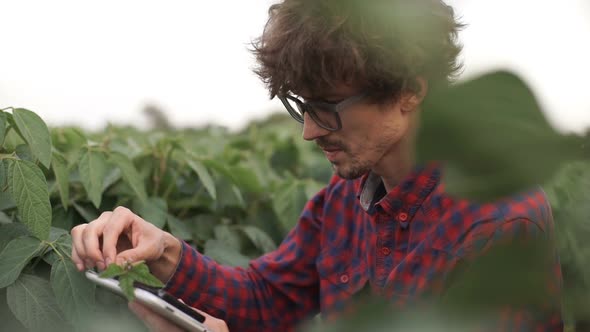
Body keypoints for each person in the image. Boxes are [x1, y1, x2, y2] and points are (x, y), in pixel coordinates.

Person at [71, 0, 563, 331]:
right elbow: (266, 296)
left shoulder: (497, 217)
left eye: (327, 106)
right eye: (301, 105)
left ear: (411, 89)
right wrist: (164, 252)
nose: (309, 130)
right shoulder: (345, 199)